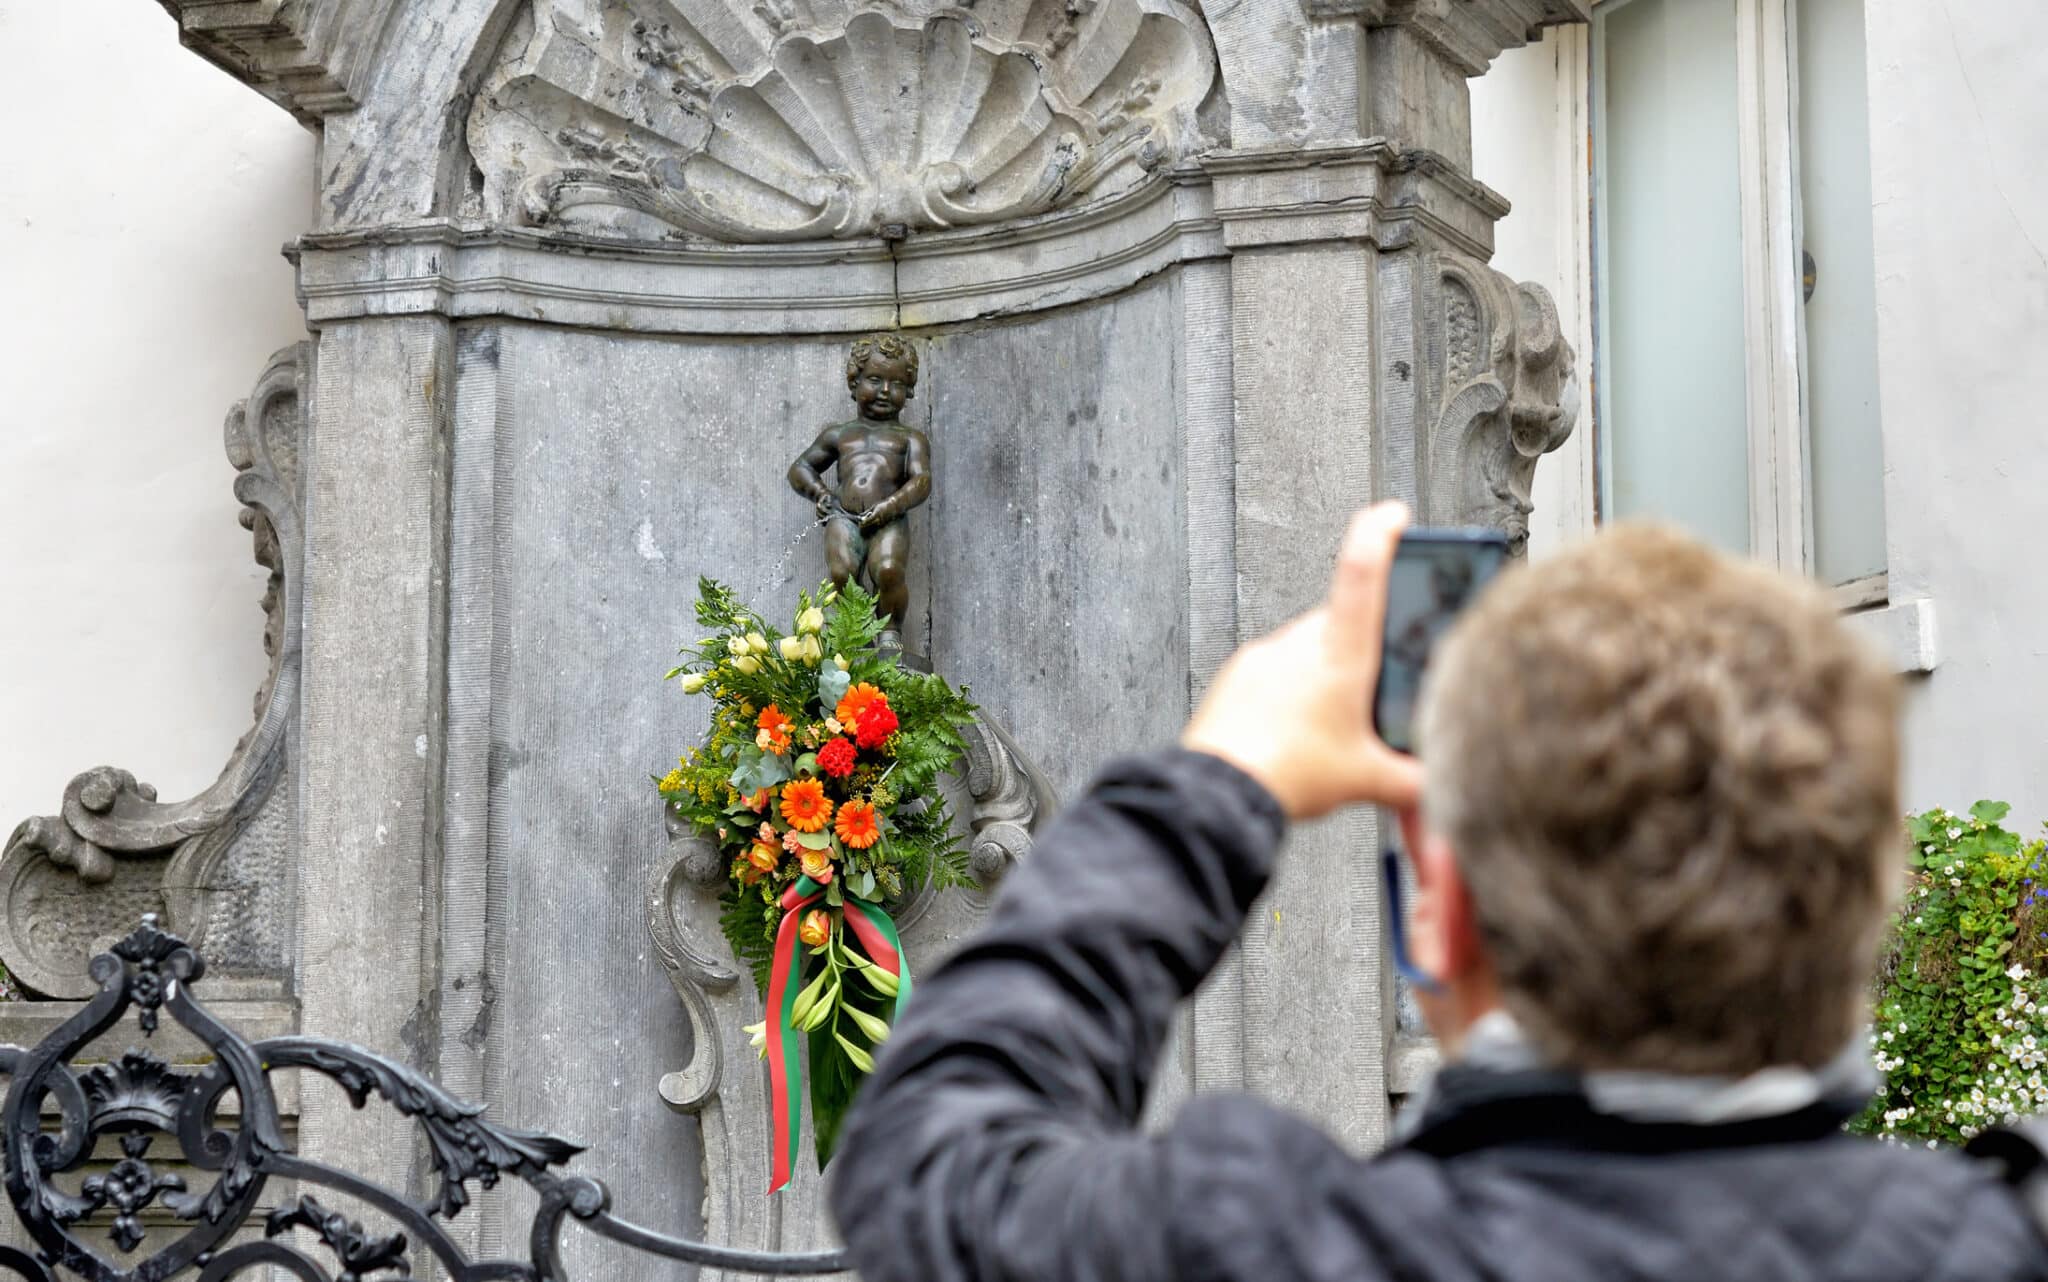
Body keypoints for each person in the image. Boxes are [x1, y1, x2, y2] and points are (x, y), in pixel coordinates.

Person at [826, 504, 2048, 1280]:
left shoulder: (1257, 1246)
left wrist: (1214, 783)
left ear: (1438, 909)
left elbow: (926, 1152)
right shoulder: (2001, 1237)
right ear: (1854, 903)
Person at [787, 335, 932, 652]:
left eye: (895, 383)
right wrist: (820, 495)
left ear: (908, 388)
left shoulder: (910, 439)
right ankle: (859, 630)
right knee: (841, 573)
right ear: (855, 382)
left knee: (889, 570)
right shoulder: (840, 435)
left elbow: (921, 481)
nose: (884, 391)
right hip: (843, 516)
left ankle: (891, 630)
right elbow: (800, 469)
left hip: (889, 519)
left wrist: (891, 507)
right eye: (875, 379)